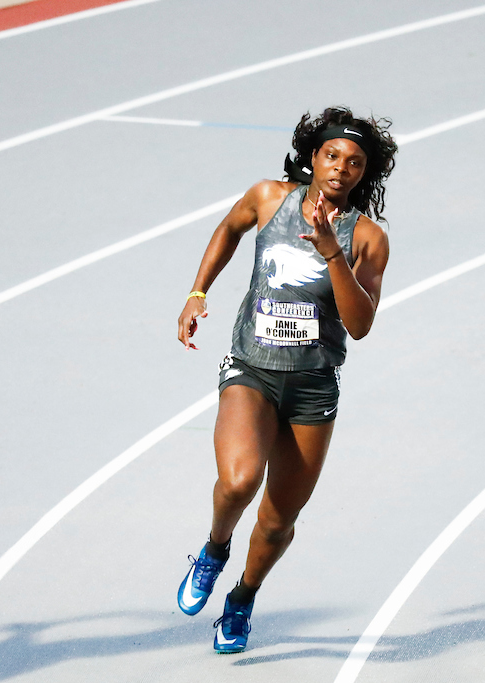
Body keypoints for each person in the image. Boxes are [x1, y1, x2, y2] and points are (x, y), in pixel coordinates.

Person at [174, 107, 396, 653]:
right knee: (237, 482)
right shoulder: (270, 198)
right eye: (332, 155)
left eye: (355, 163)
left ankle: (243, 598)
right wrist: (198, 293)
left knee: (277, 521)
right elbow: (227, 229)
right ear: (313, 157)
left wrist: (330, 252)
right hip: (252, 367)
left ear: (365, 174)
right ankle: (213, 549)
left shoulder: (367, 237)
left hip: (313, 387)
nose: (341, 168)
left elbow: (361, 324)